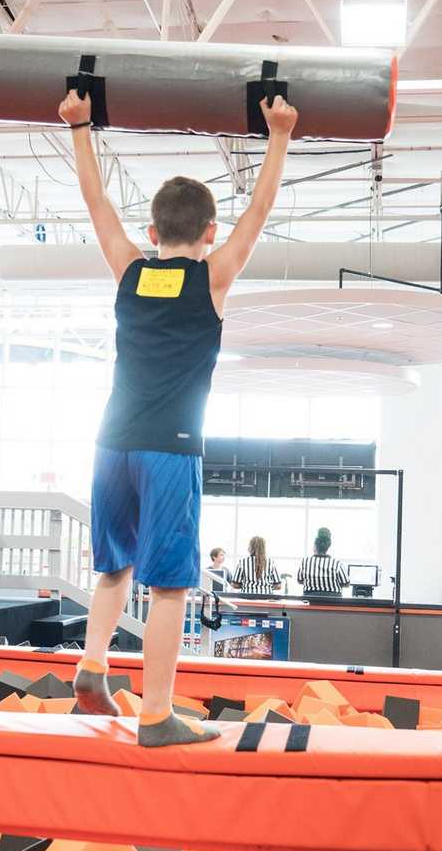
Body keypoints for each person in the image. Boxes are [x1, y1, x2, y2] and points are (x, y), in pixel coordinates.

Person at [62, 87, 298, 748]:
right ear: (210, 233)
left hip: (111, 444)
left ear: (152, 234)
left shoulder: (129, 271)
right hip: (170, 448)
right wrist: (279, 136)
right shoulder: (214, 277)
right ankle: (157, 714)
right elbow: (260, 210)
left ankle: (92, 668)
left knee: (114, 568)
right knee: (169, 589)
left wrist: (80, 126)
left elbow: (97, 205)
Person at [297, 526, 349, 597]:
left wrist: (314, 582)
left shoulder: (305, 561)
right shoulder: (337, 563)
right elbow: (346, 583)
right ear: (328, 546)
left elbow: (300, 580)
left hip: (311, 600)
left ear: (315, 544)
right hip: (333, 600)